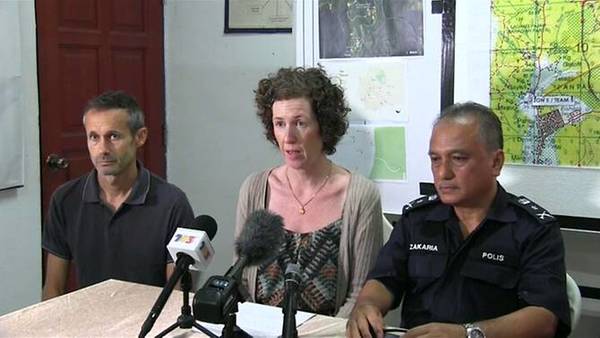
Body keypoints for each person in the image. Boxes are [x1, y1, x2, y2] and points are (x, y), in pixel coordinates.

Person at [347, 102, 571, 338]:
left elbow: (545, 318)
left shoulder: (533, 229)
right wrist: (367, 305)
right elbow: (384, 279)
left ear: (496, 162)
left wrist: (467, 334)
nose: (443, 173)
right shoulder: (417, 219)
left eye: (458, 158)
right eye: (435, 159)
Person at [235, 67, 383, 317]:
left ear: (323, 126)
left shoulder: (361, 196)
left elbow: (360, 295)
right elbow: (242, 280)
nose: (289, 137)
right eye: (279, 124)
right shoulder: (254, 188)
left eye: (300, 123)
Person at [42, 91, 194, 300]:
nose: (102, 149)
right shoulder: (65, 200)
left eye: (113, 136)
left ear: (140, 137)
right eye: (94, 137)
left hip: (148, 325)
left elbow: (177, 296)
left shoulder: (172, 203)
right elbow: (53, 289)